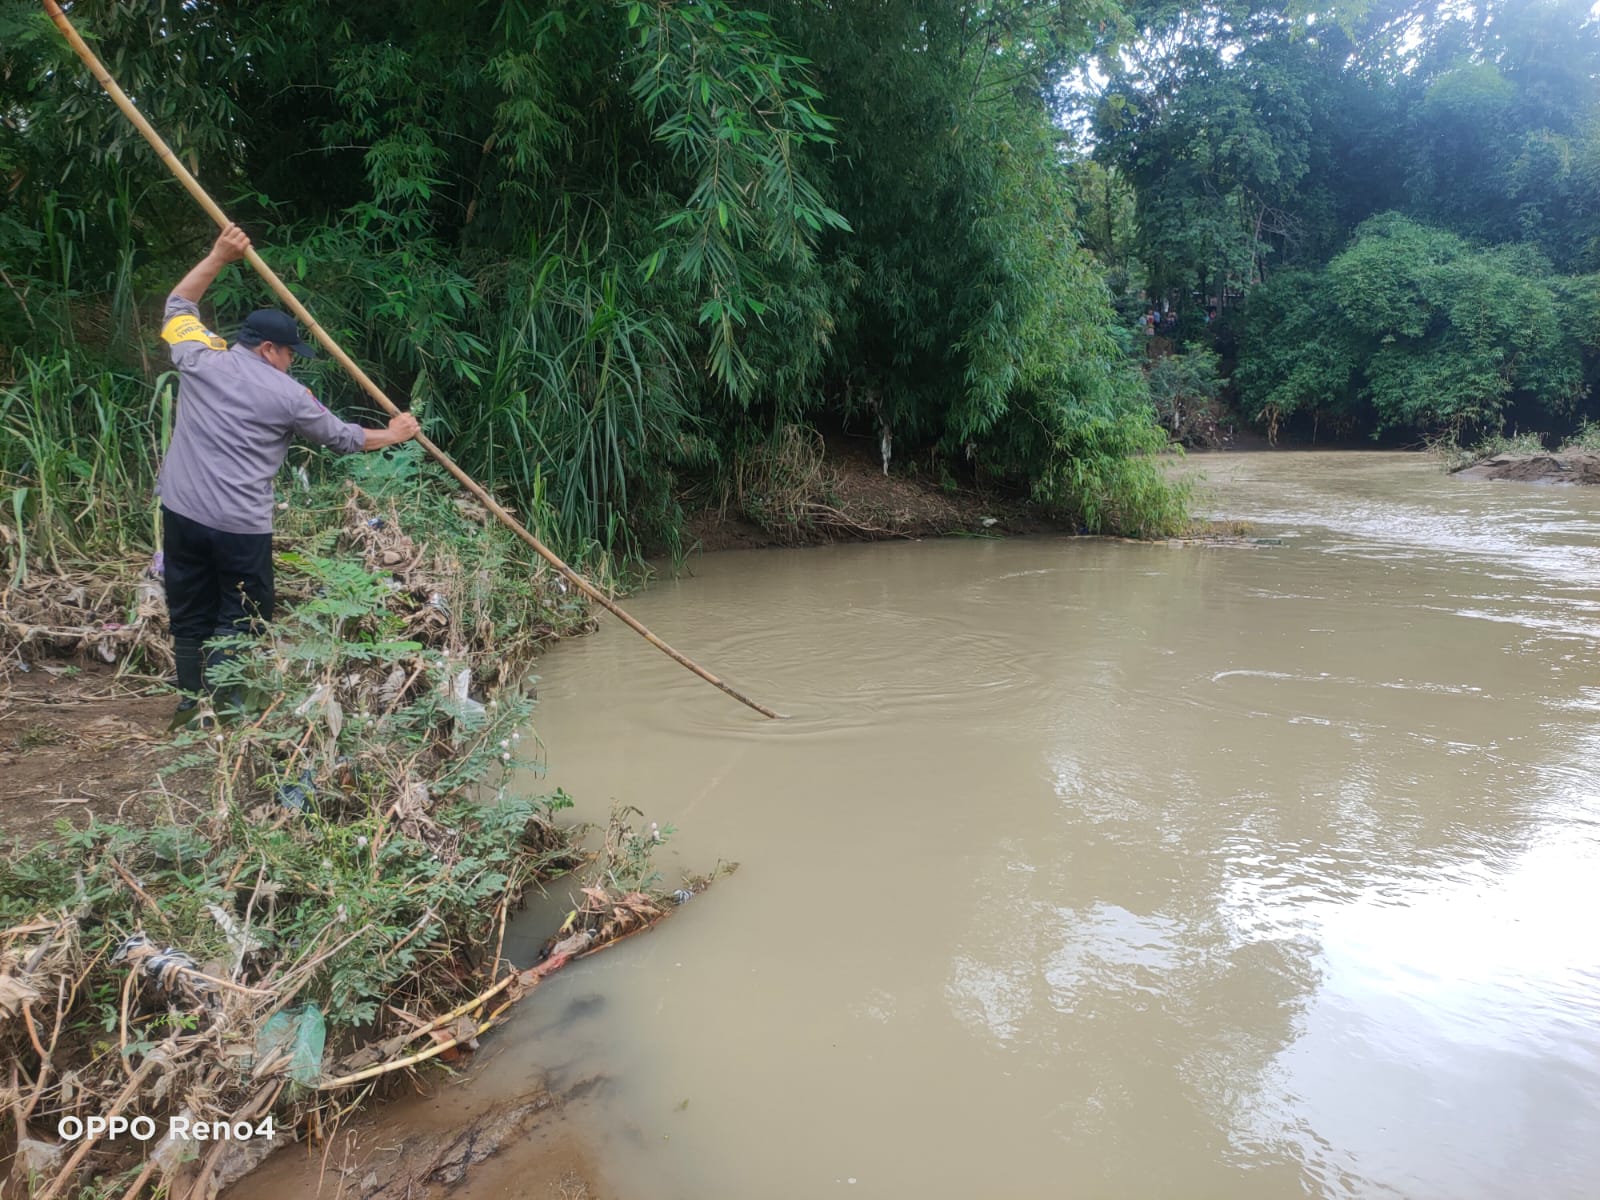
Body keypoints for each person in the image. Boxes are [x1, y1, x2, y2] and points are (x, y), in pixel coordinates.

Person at [158, 223, 421, 719]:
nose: (291, 365)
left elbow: (178, 304)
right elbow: (344, 438)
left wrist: (218, 255)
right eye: (288, 355)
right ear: (268, 349)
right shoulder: (288, 396)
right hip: (239, 526)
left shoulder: (200, 357)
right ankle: (225, 711)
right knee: (242, 616)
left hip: (182, 512)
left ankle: (191, 707)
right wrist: (396, 433)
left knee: (190, 612)